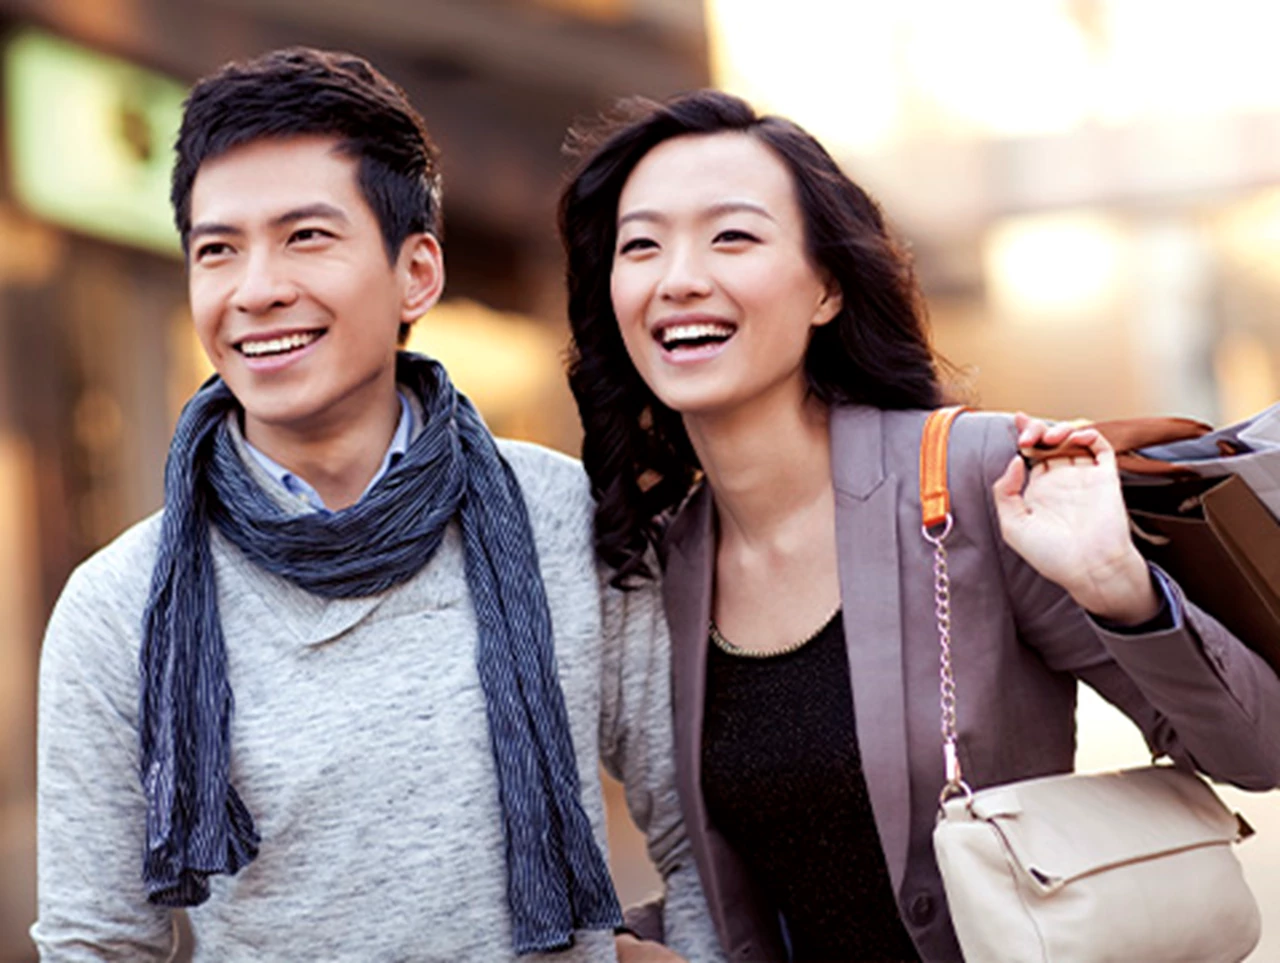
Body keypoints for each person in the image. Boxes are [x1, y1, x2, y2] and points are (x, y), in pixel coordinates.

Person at [32, 48, 723, 962]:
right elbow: (98, 942)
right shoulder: (119, 603)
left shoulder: (562, 514)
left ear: (418, 274)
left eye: (306, 236)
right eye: (217, 250)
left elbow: (701, 838)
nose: (256, 289)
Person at [557, 89, 1280, 962]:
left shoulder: (975, 476)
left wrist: (1119, 589)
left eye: (732, 236)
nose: (678, 277)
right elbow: (753, 896)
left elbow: (1256, 750)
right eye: (642, 245)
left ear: (826, 287)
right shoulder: (663, 562)